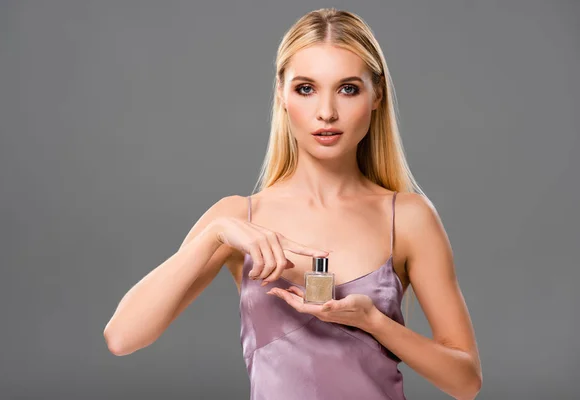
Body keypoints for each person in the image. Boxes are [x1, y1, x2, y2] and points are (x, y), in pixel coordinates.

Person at [103, 7, 482, 400]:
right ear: (281, 95)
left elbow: (466, 381)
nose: (326, 112)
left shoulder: (407, 217)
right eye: (306, 88)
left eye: (348, 88)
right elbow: (122, 337)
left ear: (377, 95)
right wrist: (213, 236)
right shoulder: (239, 217)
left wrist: (374, 322)